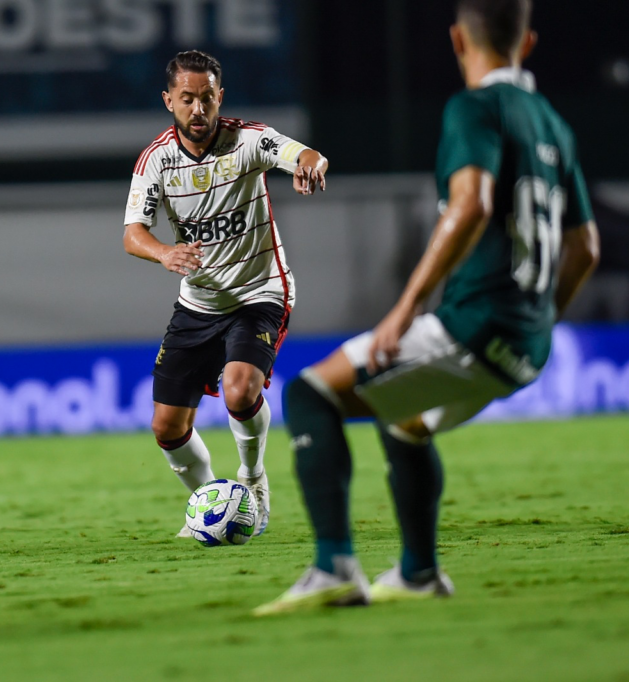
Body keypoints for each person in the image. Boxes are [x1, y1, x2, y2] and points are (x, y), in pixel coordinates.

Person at [252, 0, 599, 616]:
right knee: (406, 421)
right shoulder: (555, 123)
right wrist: (538, 322)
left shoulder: (474, 107)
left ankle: (333, 566)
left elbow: (471, 204)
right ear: (530, 42)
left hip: (474, 322)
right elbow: (586, 249)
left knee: (310, 394)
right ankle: (419, 573)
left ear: (458, 40)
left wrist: (404, 310)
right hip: (526, 345)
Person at [123, 50, 329, 537]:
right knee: (166, 428)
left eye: (207, 98)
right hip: (199, 303)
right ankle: (212, 504)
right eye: (187, 99)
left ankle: (253, 480)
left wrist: (311, 164)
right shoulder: (156, 162)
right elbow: (133, 233)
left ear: (220, 97)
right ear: (168, 100)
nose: (198, 109)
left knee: (240, 389)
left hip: (260, 291)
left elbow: (304, 153)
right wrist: (164, 253)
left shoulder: (249, 141)